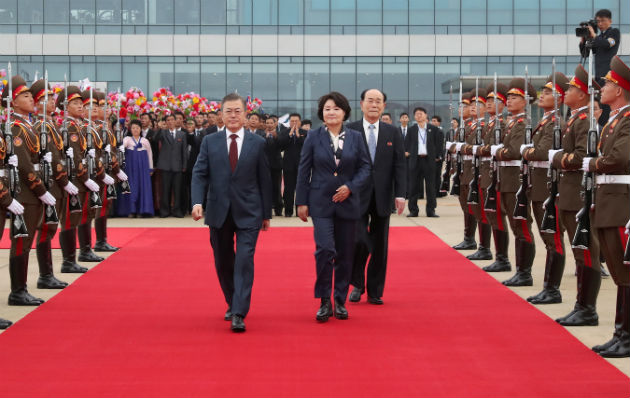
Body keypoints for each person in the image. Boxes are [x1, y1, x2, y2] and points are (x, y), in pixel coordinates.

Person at [191, 93, 272, 333]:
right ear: (222, 114)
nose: (233, 115)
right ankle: (231, 300)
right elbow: (199, 173)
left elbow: (264, 180)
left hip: (250, 211)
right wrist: (197, 201)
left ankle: (238, 312)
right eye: (229, 111)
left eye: (238, 111)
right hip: (218, 210)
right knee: (223, 261)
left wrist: (266, 213)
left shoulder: (258, 143)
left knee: (245, 261)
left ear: (245, 114)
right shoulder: (210, 141)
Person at [296, 91, 371, 322]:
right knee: (326, 250)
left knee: (346, 253)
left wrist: (350, 187)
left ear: (344, 112)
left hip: (348, 203)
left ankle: (340, 299)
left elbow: (365, 168)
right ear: (322, 112)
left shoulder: (356, 137)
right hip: (320, 203)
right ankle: (324, 300)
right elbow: (303, 169)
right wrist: (301, 201)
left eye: (336, 108)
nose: (331, 112)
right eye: (327, 108)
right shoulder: (313, 136)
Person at [549, 64, 602, 325]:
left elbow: (582, 156)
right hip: (568, 192)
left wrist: (557, 158)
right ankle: (581, 304)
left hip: (578, 193)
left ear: (582, 94)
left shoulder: (583, 121)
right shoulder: (573, 119)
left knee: (586, 250)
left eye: (570, 88)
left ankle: (588, 309)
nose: (566, 92)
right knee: (579, 251)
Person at [584, 56, 630, 358]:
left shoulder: (627, 120)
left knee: (625, 273)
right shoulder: (615, 120)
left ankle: (626, 335)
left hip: (619, 201)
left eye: (609, 84)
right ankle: (620, 332)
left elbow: (620, 158)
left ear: (622, 89)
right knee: (617, 272)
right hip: (607, 199)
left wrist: (595, 163)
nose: (603, 88)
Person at [347, 89, 406, 305]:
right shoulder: (350, 130)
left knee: (380, 245)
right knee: (358, 240)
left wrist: (400, 194)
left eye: (378, 101)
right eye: (370, 101)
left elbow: (400, 165)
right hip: (356, 195)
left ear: (384, 106)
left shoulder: (393, 132)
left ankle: (374, 290)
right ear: (361, 104)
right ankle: (357, 283)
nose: (374, 104)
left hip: (383, 195)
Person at [3, 75, 54, 306]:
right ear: (13, 102)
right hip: (25, 192)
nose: (31, 99)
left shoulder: (26, 126)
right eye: (25, 96)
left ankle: (20, 289)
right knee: (22, 239)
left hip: (30, 191)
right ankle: (17, 291)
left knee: (27, 237)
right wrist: (41, 190)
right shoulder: (15, 127)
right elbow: (23, 164)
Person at [523, 72, 570, 303]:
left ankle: (553, 289)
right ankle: (548, 287)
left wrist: (525, 151)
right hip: (539, 185)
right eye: (544, 91)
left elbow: (541, 152)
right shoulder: (546, 121)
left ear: (560, 98)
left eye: (550, 92)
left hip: (549, 186)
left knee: (553, 237)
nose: (543, 95)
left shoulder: (556, 123)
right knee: (547, 237)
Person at [492, 78, 537, 287]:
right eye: (508, 97)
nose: (508, 101)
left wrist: (497, 152)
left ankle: (525, 272)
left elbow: (513, 151)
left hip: (515, 181)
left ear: (525, 101)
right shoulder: (512, 122)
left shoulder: (523, 123)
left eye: (514, 97)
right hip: (506, 180)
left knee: (522, 226)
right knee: (515, 226)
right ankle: (520, 270)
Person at [29, 79, 70, 290]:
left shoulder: (50, 125)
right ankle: (45, 275)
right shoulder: (39, 125)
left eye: (52, 98)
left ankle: (48, 273)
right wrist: (63, 179)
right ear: (37, 103)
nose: (52, 101)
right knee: (46, 227)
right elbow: (51, 157)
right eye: (46, 99)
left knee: (51, 227)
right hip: (49, 182)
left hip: (55, 183)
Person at [54, 85, 91, 274]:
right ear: (65, 106)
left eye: (80, 103)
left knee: (75, 218)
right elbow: (75, 157)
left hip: (79, 179)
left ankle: (71, 259)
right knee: (69, 220)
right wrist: (85, 178)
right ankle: (68, 261)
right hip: (74, 180)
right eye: (74, 103)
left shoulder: (77, 126)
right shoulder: (69, 127)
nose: (80, 106)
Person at [479, 82, 513, 273]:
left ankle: (503, 259)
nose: (489, 103)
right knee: (491, 216)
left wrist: (481, 150)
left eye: (494, 100)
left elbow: (498, 149)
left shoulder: (504, 123)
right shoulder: (492, 123)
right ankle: (499, 256)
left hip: (498, 175)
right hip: (488, 173)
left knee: (499, 217)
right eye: (488, 100)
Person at [462, 88, 491, 259]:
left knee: (482, 211)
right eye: (471, 104)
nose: (473, 107)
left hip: (480, 172)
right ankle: (475, 241)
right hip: (468, 170)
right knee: (471, 208)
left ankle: (484, 247)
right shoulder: (471, 125)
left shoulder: (483, 126)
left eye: (477, 104)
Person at [448, 93, 478, 249]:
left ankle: (471, 239)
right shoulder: (462, 126)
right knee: (466, 206)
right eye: (461, 106)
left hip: (470, 170)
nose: (462, 109)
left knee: (473, 207)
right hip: (461, 170)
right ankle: (468, 237)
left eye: (465, 106)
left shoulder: (473, 126)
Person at [406, 106, 441, 218]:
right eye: (416, 114)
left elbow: (439, 144)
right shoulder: (411, 130)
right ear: (414, 117)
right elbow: (406, 144)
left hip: (428, 160)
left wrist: (437, 156)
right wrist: (407, 153)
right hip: (415, 160)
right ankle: (413, 210)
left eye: (421, 113)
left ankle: (431, 210)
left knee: (430, 186)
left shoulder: (433, 129)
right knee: (413, 187)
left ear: (426, 116)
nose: (419, 115)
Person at [117, 120, 154, 217]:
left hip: (143, 168)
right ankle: (131, 210)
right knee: (131, 187)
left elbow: (150, 154)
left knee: (143, 187)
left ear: (140, 129)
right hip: (130, 167)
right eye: (133, 128)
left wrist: (150, 168)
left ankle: (142, 211)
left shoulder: (145, 141)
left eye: (137, 128)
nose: (135, 130)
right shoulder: (127, 139)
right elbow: (122, 147)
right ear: (130, 129)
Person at [157, 114, 187, 218]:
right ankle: (164, 211)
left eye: (172, 120)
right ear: (166, 122)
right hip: (165, 166)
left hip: (178, 166)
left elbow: (184, 151)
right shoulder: (163, 133)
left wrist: (184, 165)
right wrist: (159, 128)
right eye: (168, 120)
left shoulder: (182, 134)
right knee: (165, 190)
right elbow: (156, 139)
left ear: (175, 121)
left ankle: (177, 211)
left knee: (177, 190)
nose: (170, 122)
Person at [278, 113, 308, 217]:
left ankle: (300, 211)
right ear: (289, 122)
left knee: (301, 188)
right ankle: (288, 211)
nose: (294, 123)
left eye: (296, 121)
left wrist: (298, 136)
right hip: (288, 165)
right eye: (292, 121)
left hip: (302, 165)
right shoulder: (284, 132)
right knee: (288, 189)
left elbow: (307, 147)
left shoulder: (305, 133)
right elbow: (280, 145)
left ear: (300, 122)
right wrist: (290, 135)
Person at [263, 115, 284, 216]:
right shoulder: (262, 135)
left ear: (275, 124)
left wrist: (276, 137)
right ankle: (267, 210)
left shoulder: (279, 134)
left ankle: (278, 209)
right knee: (266, 188)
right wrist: (265, 137)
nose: (269, 125)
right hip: (264, 165)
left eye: (271, 123)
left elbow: (282, 146)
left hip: (276, 165)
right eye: (267, 123)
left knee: (276, 187)